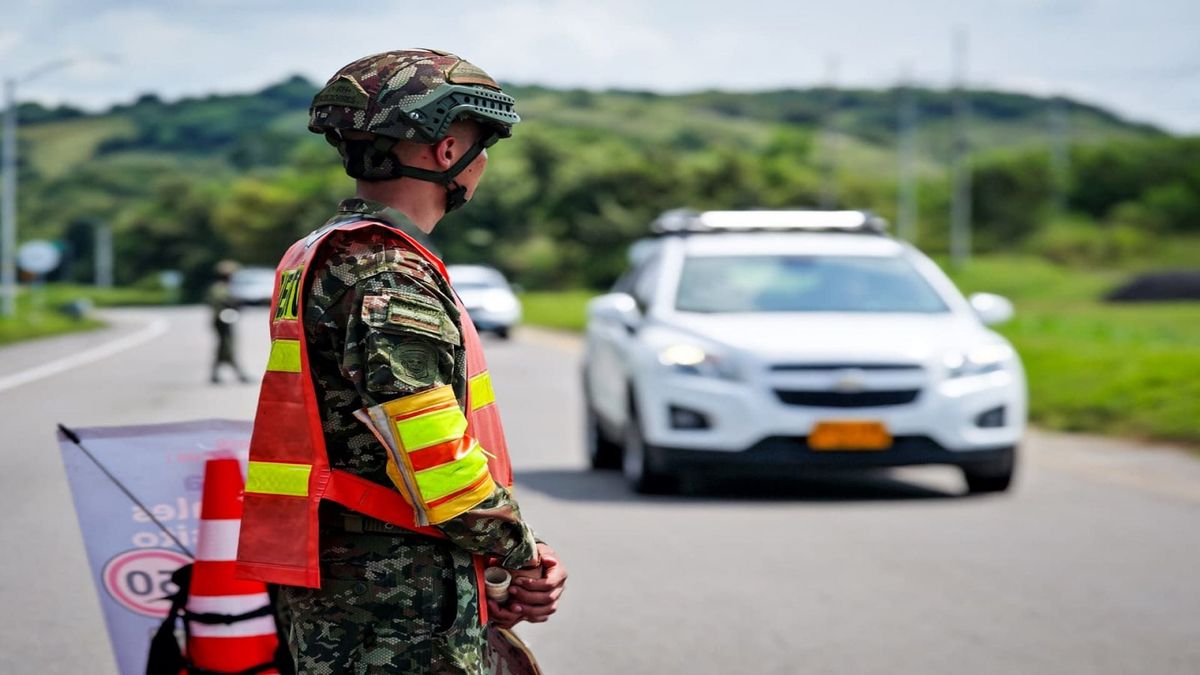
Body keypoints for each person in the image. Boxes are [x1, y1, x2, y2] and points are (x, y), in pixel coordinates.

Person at [235, 50, 566, 674]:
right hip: (396, 601)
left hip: (349, 583)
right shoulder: (388, 271)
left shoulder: (320, 253)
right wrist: (523, 555)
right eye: (481, 143)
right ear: (447, 151)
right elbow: (434, 455)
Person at [206, 260, 250, 384]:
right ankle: (240, 374)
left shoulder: (221, 287)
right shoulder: (220, 288)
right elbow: (223, 302)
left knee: (223, 347)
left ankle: (215, 374)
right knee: (227, 347)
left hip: (224, 320)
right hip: (222, 321)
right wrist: (234, 303)